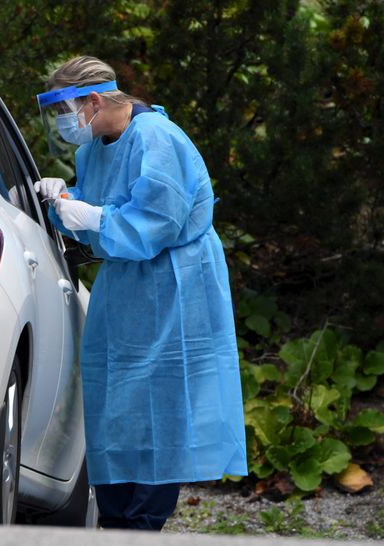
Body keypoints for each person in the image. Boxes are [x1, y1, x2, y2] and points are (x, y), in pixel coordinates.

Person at [35, 56, 248, 531]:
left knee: (164, 403)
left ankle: (143, 522)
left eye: (66, 109)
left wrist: (92, 216)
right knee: (117, 401)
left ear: (93, 100)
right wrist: (62, 203)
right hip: (125, 287)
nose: (64, 124)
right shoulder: (91, 150)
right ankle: (116, 519)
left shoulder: (157, 138)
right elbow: (99, 223)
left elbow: (158, 223)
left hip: (176, 283)